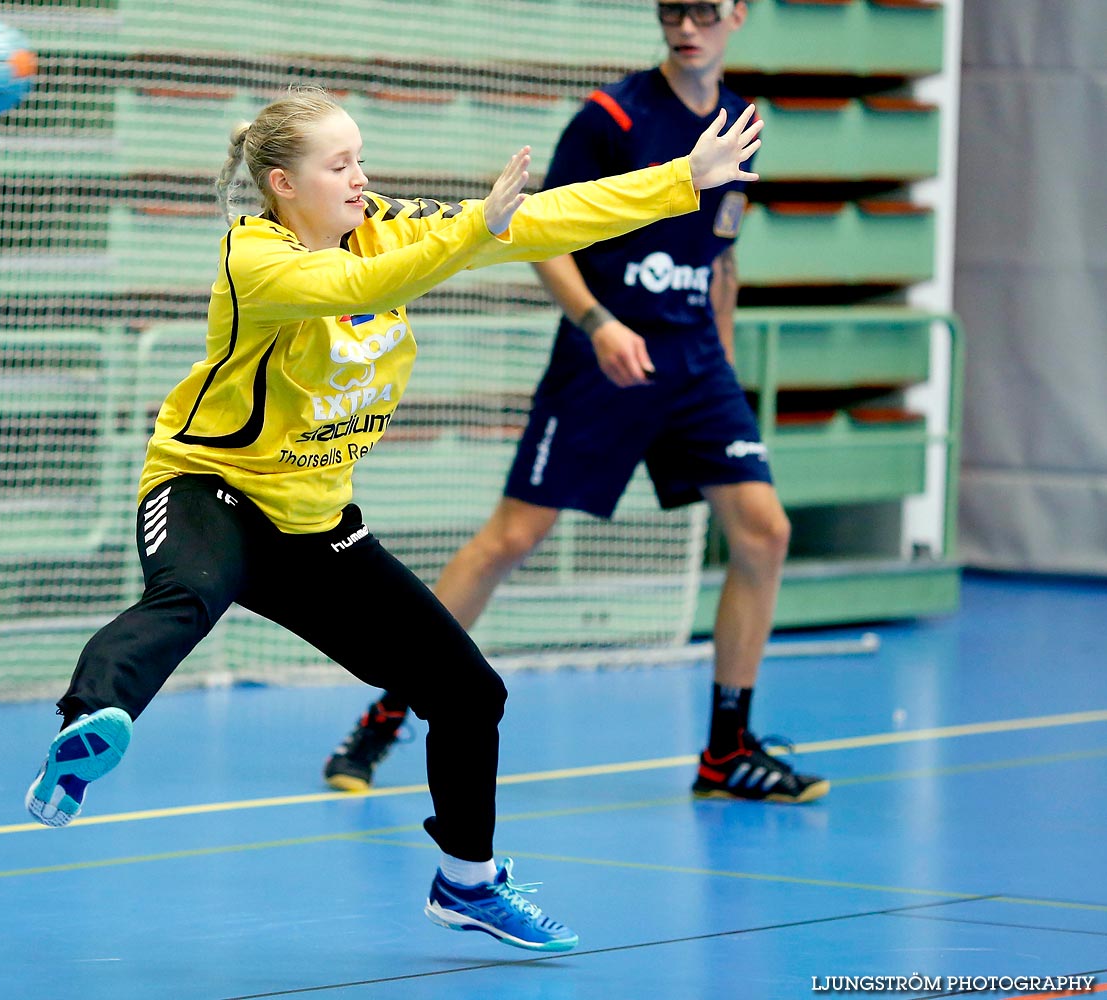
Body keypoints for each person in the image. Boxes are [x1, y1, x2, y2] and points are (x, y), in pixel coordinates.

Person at [24, 84, 763, 952]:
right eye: (338, 166)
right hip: (208, 486)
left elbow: (550, 219)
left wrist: (681, 177)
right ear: (282, 186)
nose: (360, 178)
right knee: (191, 590)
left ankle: (468, 884)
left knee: (468, 694)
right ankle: (90, 724)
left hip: (314, 521)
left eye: (361, 159)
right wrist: (472, 232)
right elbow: (365, 281)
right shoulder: (254, 258)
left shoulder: (390, 222)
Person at [323, 0, 830, 806]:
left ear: (735, 14)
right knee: (511, 539)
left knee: (765, 532)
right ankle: (388, 710)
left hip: (695, 360)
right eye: (671, 10)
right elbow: (539, 232)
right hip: (603, 354)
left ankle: (725, 751)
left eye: (702, 10)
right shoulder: (611, 117)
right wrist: (596, 322)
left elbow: (722, 257)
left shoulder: (739, 121)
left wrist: (722, 369)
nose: (684, 26)